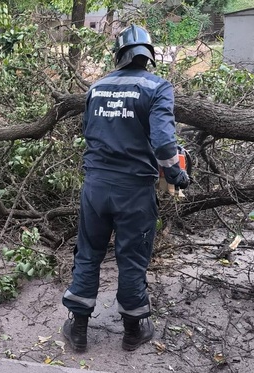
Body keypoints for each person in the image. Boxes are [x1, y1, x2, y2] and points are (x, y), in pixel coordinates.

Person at [62, 24, 190, 352]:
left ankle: (78, 330)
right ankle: (133, 332)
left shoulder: (97, 87)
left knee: (88, 253)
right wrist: (176, 174)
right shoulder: (158, 87)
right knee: (131, 258)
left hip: (95, 186)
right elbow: (163, 143)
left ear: (119, 54)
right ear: (148, 55)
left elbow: (89, 130)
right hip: (134, 190)